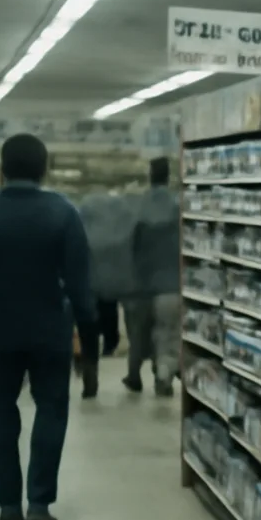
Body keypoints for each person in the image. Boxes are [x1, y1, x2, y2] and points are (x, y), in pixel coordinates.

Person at [0, 133, 95, 520]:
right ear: (45, 170)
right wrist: (89, 339)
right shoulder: (64, 213)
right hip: (49, 331)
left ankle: (8, 507)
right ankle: (39, 502)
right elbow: (80, 284)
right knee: (51, 410)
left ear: (1, 171)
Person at [124, 157, 180, 397]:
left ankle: (134, 375)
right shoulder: (178, 206)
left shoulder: (138, 205)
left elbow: (129, 244)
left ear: (150, 175)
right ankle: (163, 374)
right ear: (169, 176)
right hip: (172, 284)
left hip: (142, 284)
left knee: (138, 332)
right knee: (166, 333)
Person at [77, 191, 140, 398]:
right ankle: (112, 346)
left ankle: (90, 370)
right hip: (117, 284)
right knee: (110, 317)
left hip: (90, 283)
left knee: (89, 328)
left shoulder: (84, 221)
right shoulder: (123, 222)